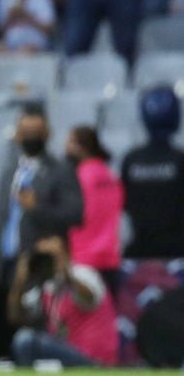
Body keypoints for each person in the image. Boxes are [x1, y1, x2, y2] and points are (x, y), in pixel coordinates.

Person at [0, 109, 83, 360]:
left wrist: (36, 209)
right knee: (3, 332)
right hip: (7, 262)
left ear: (46, 134)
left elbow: (76, 214)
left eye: (35, 133)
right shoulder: (9, 172)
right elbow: (0, 221)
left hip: (40, 264)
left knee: (32, 329)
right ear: (17, 134)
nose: (30, 138)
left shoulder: (60, 170)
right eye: (25, 132)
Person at [7, 236, 118, 367]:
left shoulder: (84, 273)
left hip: (93, 357)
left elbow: (89, 298)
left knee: (26, 339)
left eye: (53, 256)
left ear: (66, 254)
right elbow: (16, 316)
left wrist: (66, 271)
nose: (50, 261)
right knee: (23, 338)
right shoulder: (46, 285)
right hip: (64, 353)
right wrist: (19, 282)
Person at [121, 85, 184, 259]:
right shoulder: (180, 159)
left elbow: (125, 204)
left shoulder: (131, 160)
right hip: (176, 254)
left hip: (139, 251)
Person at [65, 126, 123, 294]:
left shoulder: (77, 177)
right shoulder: (111, 175)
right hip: (110, 258)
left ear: (80, 147)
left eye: (70, 142)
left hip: (83, 259)